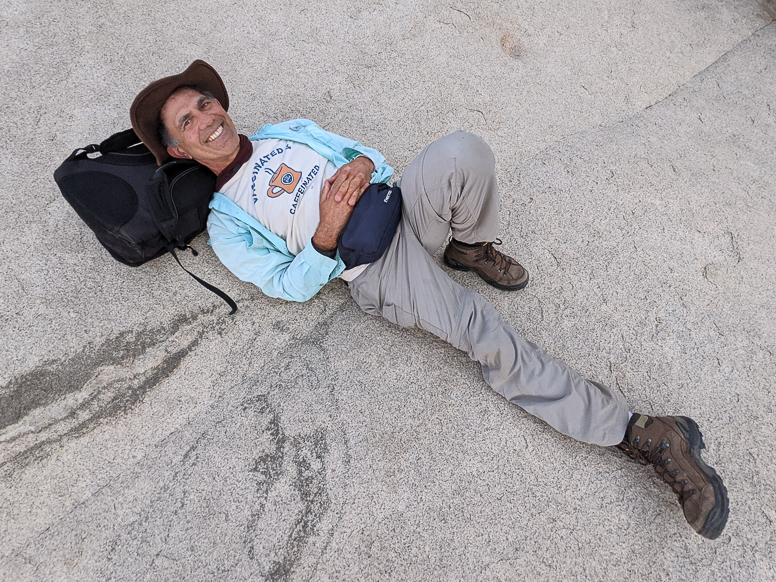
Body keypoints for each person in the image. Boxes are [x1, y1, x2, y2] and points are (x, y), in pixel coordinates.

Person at [130, 60, 729, 539]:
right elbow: (291, 287)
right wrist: (327, 229)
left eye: (204, 102)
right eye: (186, 121)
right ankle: (641, 433)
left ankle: (465, 248)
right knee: (480, 327)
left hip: (395, 204)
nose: (206, 117)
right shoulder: (227, 221)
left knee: (462, 151)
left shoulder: (285, 132)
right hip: (372, 266)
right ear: (181, 151)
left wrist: (364, 166)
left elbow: (366, 156)